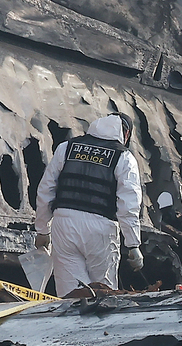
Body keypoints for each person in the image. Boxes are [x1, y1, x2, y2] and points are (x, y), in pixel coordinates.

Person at [34, 114, 143, 295]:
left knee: (70, 295)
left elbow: (46, 189)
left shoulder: (67, 148)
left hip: (64, 225)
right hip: (100, 230)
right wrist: (133, 244)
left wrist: (42, 229)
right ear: (126, 133)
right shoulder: (124, 157)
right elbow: (128, 205)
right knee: (103, 293)